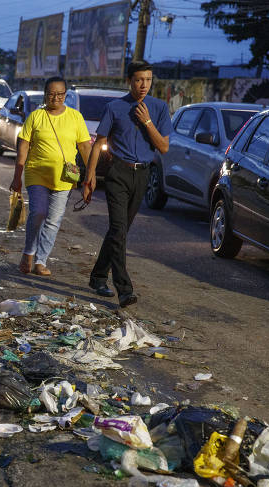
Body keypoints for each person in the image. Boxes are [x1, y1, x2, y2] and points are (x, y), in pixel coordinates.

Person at [83, 60, 172, 307]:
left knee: (118, 231)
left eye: (148, 80)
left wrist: (147, 122)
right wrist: (89, 177)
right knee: (119, 230)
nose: (144, 85)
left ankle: (98, 276)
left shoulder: (159, 108)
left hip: (142, 175)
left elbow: (163, 147)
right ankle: (124, 289)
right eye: (138, 80)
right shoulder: (114, 107)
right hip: (118, 173)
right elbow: (98, 144)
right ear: (129, 81)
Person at [9, 76, 91, 276]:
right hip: (37, 173)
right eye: (51, 94)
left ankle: (41, 261)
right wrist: (17, 175)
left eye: (60, 94)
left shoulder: (75, 117)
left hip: (64, 177)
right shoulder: (35, 116)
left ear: (66, 95)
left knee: (53, 220)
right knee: (38, 213)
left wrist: (90, 175)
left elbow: (84, 146)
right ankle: (28, 252)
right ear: (45, 95)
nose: (56, 98)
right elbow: (24, 147)